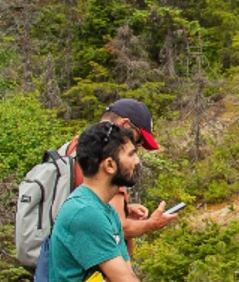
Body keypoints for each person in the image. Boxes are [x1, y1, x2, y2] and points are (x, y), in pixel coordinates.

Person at [32, 122, 177, 282]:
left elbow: (127, 277)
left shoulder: (106, 209)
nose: (137, 161)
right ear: (109, 165)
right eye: (131, 154)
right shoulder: (85, 213)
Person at [58, 99, 175, 239]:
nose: (136, 149)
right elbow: (118, 228)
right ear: (124, 124)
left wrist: (124, 208)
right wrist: (151, 224)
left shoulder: (77, 146)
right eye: (138, 140)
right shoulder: (111, 164)